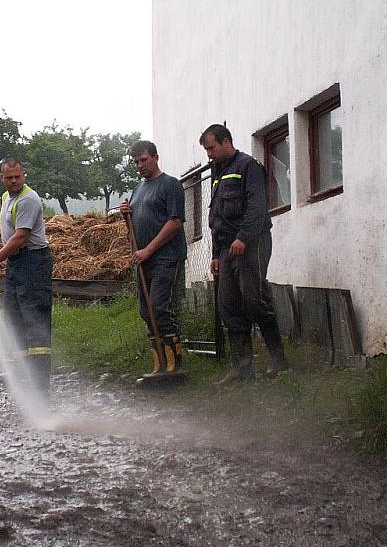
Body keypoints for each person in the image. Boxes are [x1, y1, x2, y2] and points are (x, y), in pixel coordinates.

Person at [200, 124, 289, 383]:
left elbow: (258, 207)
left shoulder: (248, 166)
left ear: (226, 141)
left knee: (255, 300)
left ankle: (279, 361)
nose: (209, 155)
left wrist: (243, 238)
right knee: (228, 305)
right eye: (206, 150)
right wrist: (216, 253)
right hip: (227, 249)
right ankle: (242, 368)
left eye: (211, 148)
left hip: (253, 243)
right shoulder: (218, 171)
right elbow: (215, 217)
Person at [0, 158, 53, 393]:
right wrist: (0, 254)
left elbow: (21, 237)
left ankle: (39, 388)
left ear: (25, 175)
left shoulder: (28, 200)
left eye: (17, 177)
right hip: (17, 263)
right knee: (15, 320)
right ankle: (23, 381)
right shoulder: (7, 198)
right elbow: (11, 235)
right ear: (1, 178)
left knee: (35, 323)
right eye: (9, 177)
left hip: (33, 263)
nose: (13, 181)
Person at [119, 140, 186, 379]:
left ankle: (175, 366)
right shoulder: (138, 190)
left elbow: (175, 222)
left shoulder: (170, 185)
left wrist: (149, 249)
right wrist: (126, 216)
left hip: (166, 257)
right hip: (143, 260)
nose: (140, 165)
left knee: (159, 307)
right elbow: (134, 229)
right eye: (136, 162)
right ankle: (159, 365)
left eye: (144, 160)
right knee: (146, 311)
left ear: (156, 157)